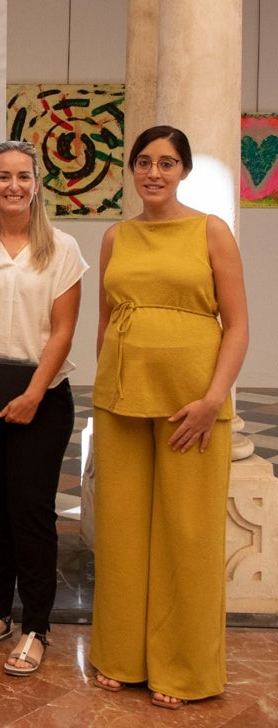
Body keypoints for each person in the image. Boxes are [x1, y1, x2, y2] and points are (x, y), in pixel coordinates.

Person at [89, 126, 248, 710]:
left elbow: (237, 324)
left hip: (194, 404)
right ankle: (121, 655)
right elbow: (106, 321)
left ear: (182, 170)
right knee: (123, 528)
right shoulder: (115, 236)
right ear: (132, 170)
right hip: (121, 397)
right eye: (144, 162)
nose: (153, 172)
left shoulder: (211, 231)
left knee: (188, 534)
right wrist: (110, 378)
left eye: (167, 162)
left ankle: (182, 669)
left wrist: (213, 399)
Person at [0, 141, 86, 676]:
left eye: (23, 176)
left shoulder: (63, 248)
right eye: (3, 176)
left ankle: (36, 626)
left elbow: (64, 330)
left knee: (30, 511)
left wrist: (34, 393)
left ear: (36, 183)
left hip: (41, 395)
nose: (13, 185)